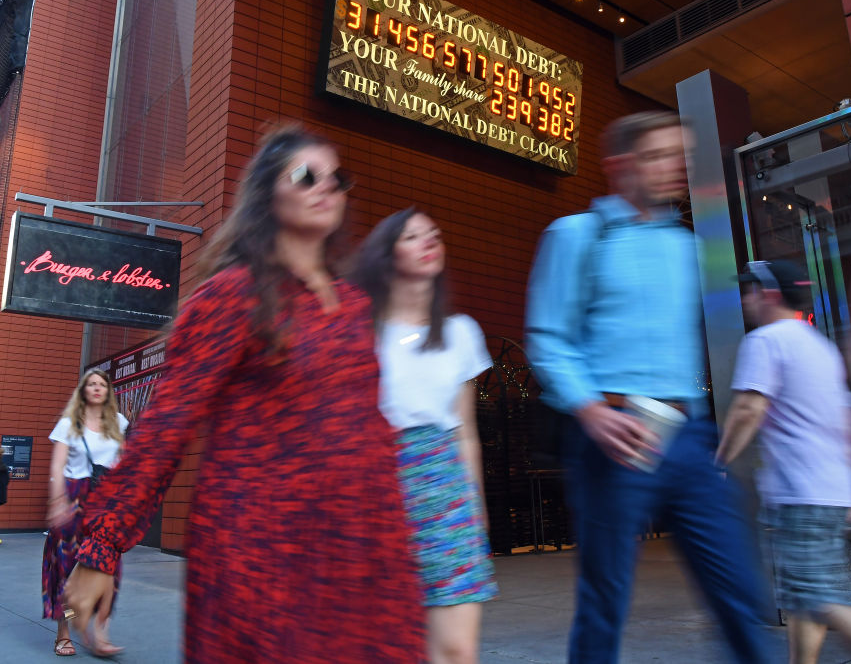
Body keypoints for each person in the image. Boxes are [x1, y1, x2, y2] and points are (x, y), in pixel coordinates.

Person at [62, 126, 424, 663]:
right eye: (306, 175)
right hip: (262, 549)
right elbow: (167, 425)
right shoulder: (234, 294)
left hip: (360, 548)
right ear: (267, 193)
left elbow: (368, 425)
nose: (327, 185)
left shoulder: (353, 305)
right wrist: (102, 546)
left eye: (338, 177)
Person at [525, 111, 769, 664]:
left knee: (736, 584)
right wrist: (590, 411)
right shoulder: (576, 235)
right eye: (657, 155)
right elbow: (548, 337)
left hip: (688, 437)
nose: (673, 168)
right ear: (618, 165)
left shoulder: (688, 248)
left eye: (679, 156)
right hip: (614, 435)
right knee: (606, 595)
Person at [715, 259, 851, 664]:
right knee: (806, 594)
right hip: (829, 492)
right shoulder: (822, 348)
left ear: (769, 294)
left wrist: (719, 461)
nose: (745, 299)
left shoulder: (766, 340)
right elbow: (847, 425)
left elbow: (749, 408)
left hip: (800, 492)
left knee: (823, 597)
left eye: (750, 291)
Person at [353, 207, 498, 664]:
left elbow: (466, 432)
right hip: (376, 486)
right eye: (413, 236)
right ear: (386, 254)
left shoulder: (461, 332)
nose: (430, 240)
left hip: (445, 489)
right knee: (383, 642)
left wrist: (475, 505)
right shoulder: (358, 331)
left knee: (457, 648)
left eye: (433, 233)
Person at [43, 369, 128, 657]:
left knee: (108, 569)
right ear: (83, 390)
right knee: (66, 570)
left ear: (108, 390)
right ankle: (64, 632)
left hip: (106, 505)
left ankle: (101, 633)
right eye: (91, 384)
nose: (96, 388)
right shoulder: (69, 423)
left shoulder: (119, 423)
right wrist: (58, 502)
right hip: (74, 502)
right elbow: (57, 466)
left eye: (102, 384)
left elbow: (124, 465)